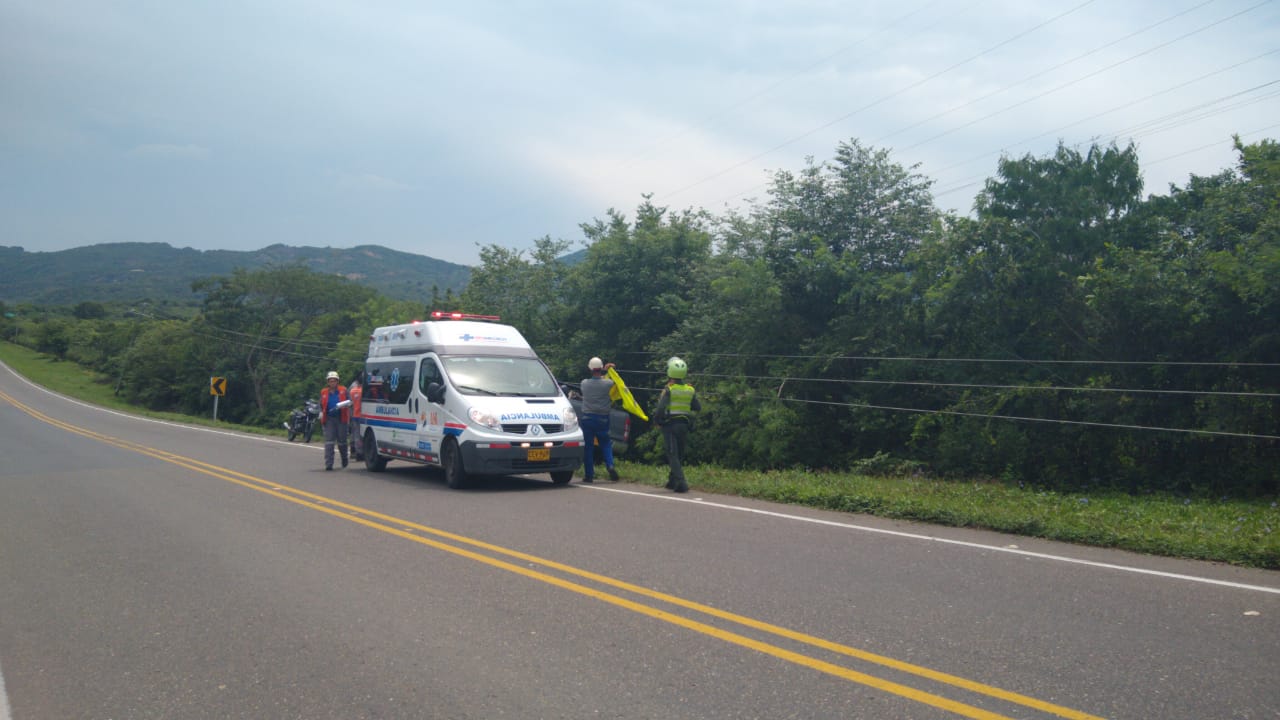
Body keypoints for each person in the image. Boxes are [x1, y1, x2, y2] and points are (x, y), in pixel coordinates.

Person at [652, 356, 700, 493]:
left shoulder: (669, 389)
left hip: (670, 425)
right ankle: (672, 481)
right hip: (684, 425)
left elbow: (661, 408)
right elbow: (697, 407)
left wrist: (657, 421)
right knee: (679, 454)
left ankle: (681, 482)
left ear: (670, 372)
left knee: (672, 453)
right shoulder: (690, 389)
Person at [578, 357, 620, 483]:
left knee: (588, 448)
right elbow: (614, 382)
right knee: (606, 444)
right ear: (601, 368)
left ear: (590, 369)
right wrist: (609, 371)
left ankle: (589, 475)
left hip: (587, 418)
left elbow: (599, 378)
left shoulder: (584, 383)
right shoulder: (607, 383)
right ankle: (610, 465)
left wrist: (604, 371)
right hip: (603, 418)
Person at [319, 370, 350, 470]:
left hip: (341, 418)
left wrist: (345, 405)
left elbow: (350, 401)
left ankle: (344, 460)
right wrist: (320, 413)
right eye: (330, 381)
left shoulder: (344, 390)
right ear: (328, 382)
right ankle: (329, 464)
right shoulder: (323, 392)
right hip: (329, 419)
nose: (332, 382)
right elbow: (320, 404)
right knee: (329, 442)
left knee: (342, 442)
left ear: (337, 381)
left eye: (334, 380)